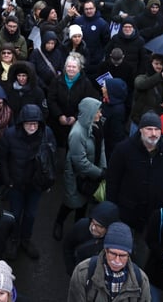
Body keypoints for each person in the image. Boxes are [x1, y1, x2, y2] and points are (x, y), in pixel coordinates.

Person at [106, 111, 163, 263]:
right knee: (123, 248)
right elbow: (113, 181)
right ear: (140, 130)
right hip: (127, 211)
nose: (153, 133)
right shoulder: (123, 149)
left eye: (157, 129)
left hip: (154, 212)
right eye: (149, 129)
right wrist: (112, 209)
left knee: (145, 248)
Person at [0, 103, 57, 260]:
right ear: (21, 123)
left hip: (35, 184)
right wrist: (8, 180)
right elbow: (3, 158)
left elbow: (52, 158)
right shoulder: (10, 135)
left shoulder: (46, 133)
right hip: (16, 184)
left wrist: (48, 182)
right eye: (29, 123)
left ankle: (25, 239)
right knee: (15, 215)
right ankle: (14, 239)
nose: (32, 126)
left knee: (30, 215)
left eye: (35, 123)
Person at [54, 97, 107, 242]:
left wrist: (103, 167)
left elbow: (101, 147)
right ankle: (59, 223)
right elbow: (80, 162)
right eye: (98, 111)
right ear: (89, 113)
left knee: (83, 205)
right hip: (77, 176)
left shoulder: (96, 125)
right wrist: (100, 173)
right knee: (71, 202)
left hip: (91, 174)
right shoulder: (77, 133)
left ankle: (78, 231)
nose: (100, 114)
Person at [67, 221, 152, 302]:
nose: (117, 260)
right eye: (113, 253)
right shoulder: (83, 272)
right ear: (105, 250)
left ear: (129, 255)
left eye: (122, 255)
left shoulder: (141, 281)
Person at [62, 201, 122, 275]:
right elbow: (67, 246)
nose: (93, 227)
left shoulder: (117, 242)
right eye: (92, 222)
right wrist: (71, 269)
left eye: (99, 226)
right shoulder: (82, 225)